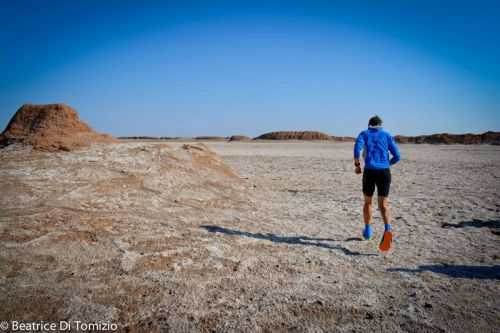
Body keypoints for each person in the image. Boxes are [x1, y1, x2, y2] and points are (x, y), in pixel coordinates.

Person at [353, 115, 400, 251]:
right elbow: (397, 156)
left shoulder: (364, 134)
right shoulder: (387, 135)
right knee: (383, 205)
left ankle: (368, 231)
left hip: (370, 171)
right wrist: (387, 164)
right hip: (384, 172)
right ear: (380, 125)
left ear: (369, 124)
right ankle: (387, 230)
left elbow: (357, 149)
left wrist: (357, 165)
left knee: (368, 202)